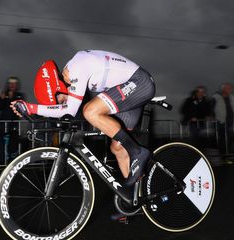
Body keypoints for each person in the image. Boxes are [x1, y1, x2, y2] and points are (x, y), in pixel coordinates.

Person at [11, 50, 155, 189]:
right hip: (130, 93)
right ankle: (132, 200)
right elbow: (66, 111)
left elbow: (69, 110)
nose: (60, 105)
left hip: (140, 83)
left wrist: (31, 108)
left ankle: (137, 152)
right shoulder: (76, 76)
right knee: (118, 147)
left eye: (58, 101)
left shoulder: (77, 67)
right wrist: (31, 114)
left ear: (58, 87)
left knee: (90, 111)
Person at [0, 76, 25, 162]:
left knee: (13, 144)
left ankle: (12, 160)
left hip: (14, 124)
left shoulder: (20, 95)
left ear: (17, 85)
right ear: (7, 85)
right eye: (10, 83)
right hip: (1, 124)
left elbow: (21, 109)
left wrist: (12, 98)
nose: (12, 85)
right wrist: (2, 99)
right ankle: (0, 162)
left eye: (14, 83)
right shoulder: (2, 94)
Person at [211, 83, 234, 163]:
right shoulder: (215, 97)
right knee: (221, 140)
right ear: (223, 89)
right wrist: (213, 116)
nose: (230, 90)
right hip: (220, 122)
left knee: (229, 140)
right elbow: (211, 108)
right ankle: (222, 158)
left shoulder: (231, 97)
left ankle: (225, 157)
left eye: (231, 88)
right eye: (229, 88)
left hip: (230, 122)